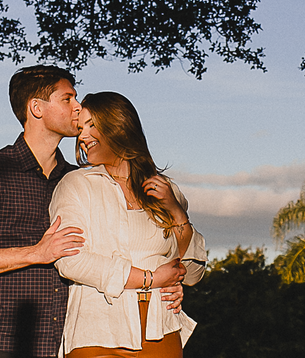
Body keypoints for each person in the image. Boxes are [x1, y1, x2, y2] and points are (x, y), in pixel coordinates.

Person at [49, 92, 207, 358]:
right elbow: (70, 260)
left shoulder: (168, 191)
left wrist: (177, 213)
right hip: (98, 330)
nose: (82, 137)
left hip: (162, 330)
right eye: (80, 128)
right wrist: (150, 279)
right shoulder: (76, 185)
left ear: (119, 126)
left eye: (91, 125)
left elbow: (191, 274)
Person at [0, 65, 87, 358]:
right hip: (2, 345)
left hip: (71, 345)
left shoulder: (80, 180)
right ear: (36, 108)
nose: (78, 106)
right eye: (67, 99)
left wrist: (158, 284)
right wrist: (37, 252)